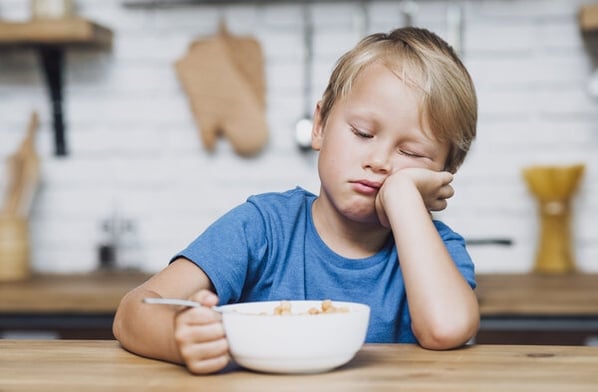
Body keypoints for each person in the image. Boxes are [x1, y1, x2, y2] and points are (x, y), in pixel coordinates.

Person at [113, 26, 480, 375]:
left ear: (444, 172)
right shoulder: (262, 227)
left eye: (412, 153)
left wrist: (402, 197)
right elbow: (134, 311)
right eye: (363, 132)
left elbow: (445, 329)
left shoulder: (439, 250)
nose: (380, 161)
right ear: (319, 125)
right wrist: (181, 338)